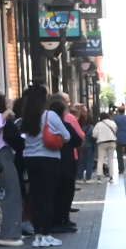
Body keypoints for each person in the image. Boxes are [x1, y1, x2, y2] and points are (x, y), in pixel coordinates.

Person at [17, 86, 66, 248]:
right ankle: (46, 234)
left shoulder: (26, 117)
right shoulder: (49, 115)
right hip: (49, 160)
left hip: (30, 160)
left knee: (36, 197)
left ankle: (38, 235)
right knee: (48, 197)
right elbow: (66, 135)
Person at [52, 98, 82, 233]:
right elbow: (77, 140)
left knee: (57, 192)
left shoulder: (48, 126)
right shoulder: (65, 126)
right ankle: (62, 220)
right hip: (67, 162)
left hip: (53, 163)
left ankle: (60, 220)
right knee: (66, 192)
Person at [0, 94, 24, 247]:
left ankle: (8, 231)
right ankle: (9, 233)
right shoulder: (2, 117)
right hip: (3, 156)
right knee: (11, 194)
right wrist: (3, 117)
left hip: (4, 156)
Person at [93, 111, 118, 180]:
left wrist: (100, 136)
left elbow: (94, 134)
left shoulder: (98, 124)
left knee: (101, 159)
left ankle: (99, 176)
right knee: (110, 159)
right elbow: (115, 131)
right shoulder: (112, 123)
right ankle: (111, 176)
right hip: (112, 142)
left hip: (102, 143)